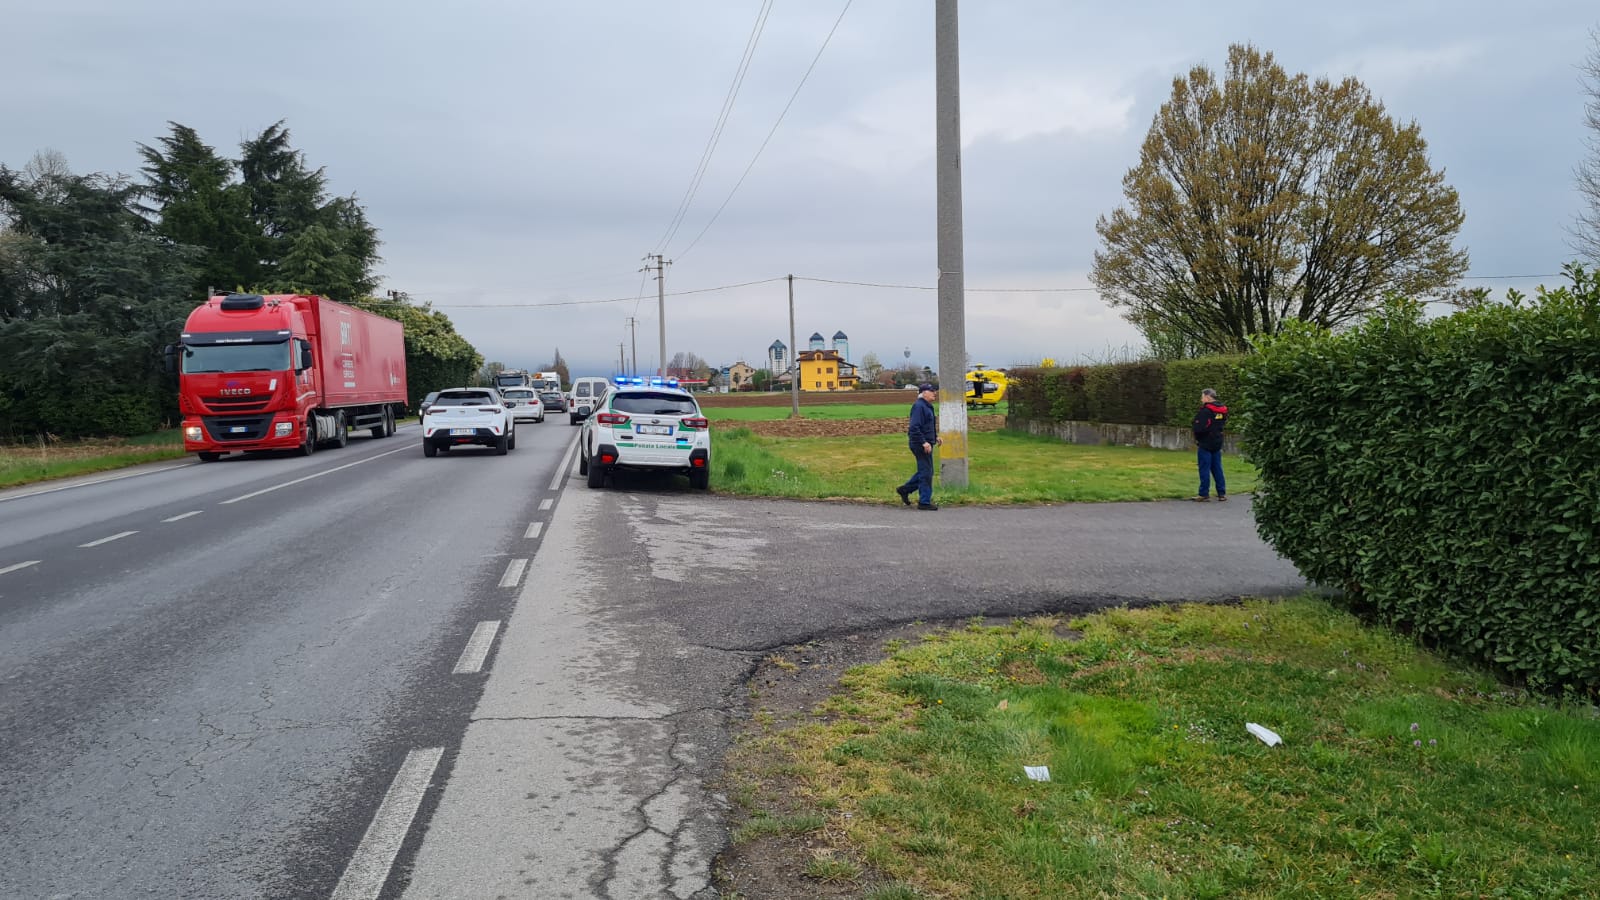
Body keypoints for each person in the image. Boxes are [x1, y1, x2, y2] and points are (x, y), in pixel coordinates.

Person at [896, 383, 940, 510]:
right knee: (926, 472)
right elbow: (914, 427)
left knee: (926, 471)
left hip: (926, 442)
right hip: (919, 444)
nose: (934, 393)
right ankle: (924, 502)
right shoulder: (919, 406)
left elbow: (927, 426)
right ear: (924, 393)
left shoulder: (927, 406)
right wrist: (924, 442)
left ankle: (905, 489)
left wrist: (935, 437)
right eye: (931, 391)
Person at [1191, 388, 1228, 501]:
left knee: (1204, 468)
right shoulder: (1222, 410)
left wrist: (1198, 438)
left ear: (1207, 397)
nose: (1201, 399)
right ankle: (1221, 493)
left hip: (1206, 442)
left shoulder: (1205, 411)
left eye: (1202, 396)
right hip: (1217, 441)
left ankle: (1203, 493)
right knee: (1217, 468)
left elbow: (1199, 427)